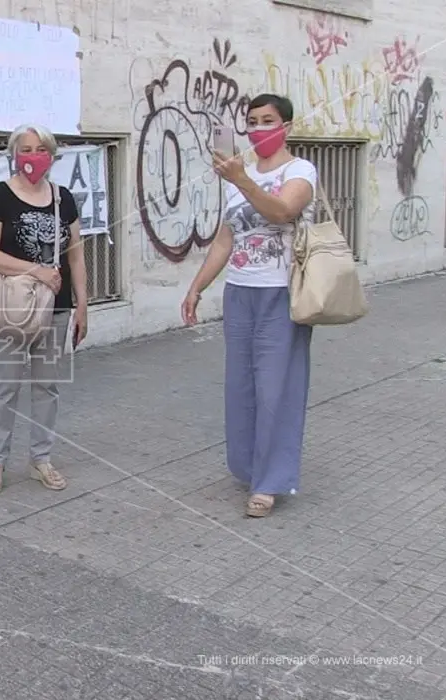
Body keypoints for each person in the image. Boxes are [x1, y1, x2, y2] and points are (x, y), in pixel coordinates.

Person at [181, 94, 318, 518]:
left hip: (282, 294)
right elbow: (227, 238)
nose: (259, 129)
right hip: (240, 293)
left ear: (288, 126)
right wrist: (197, 286)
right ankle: (248, 467)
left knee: (277, 388)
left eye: (268, 121)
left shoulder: (300, 171)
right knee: (241, 388)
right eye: (253, 122)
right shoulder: (241, 175)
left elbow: (281, 211)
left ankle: (270, 482)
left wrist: (243, 179)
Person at [0, 124, 88, 496]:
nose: (32, 156)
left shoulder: (64, 198)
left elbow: (76, 254)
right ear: (14, 154)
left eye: (40, 149)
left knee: (47, 386)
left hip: (54, 308)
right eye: (25, 149)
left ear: (52, 156)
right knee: (6, 386)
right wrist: (36, 270)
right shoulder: (0, 196)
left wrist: (82, 304)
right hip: (13, 307)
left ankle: (41, 458)